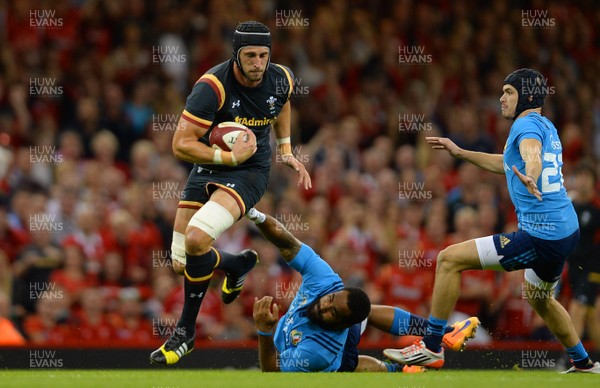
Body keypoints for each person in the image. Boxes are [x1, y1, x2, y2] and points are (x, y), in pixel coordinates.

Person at [384, 68, 600, 374]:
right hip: (566, 230)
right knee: (541, 300)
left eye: (508, 92)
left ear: (526, 96)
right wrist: (460, 153)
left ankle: (431, 348)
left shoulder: (524, 125)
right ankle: (583, 363)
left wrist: (532, 175)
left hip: (542, 235)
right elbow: (510, 162)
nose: (501, 98)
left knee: (448, 259)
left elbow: (531, 155)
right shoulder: (546, 125)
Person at [150, 21, 311, 365]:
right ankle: (236, 265)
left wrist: (284, 149)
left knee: (196, 241)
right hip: (211, 163)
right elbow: (180, 145)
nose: (258, 63)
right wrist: (225, 156)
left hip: (252, 171)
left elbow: (281, 104)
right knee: (181, 263)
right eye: (250, 55)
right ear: (235, 56)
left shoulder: (281, 77)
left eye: (263, 55)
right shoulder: (211, 87)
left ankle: (185, 334)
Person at [248, 208, 479, 372]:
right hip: (345, 320)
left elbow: (271, 367)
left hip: (333, 353)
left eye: (332, 312)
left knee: (349, 364)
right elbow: (288, 243)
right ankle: (442, 332)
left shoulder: (318, 353)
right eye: (331, 300)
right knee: (363, 308)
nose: (324, 304)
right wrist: (254, 214)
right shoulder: (325, 281)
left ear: (344, 325)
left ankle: (398, 371)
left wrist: (264, 331)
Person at [567, 164, 600, 349]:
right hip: (573, 269)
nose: (582, 181)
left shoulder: (597, 209)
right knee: (594, 318)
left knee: (577, 308)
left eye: (586, 176)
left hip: (594, 270)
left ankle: (571, 359)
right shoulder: (568, 207)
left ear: (594, 182)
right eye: (579, 176)